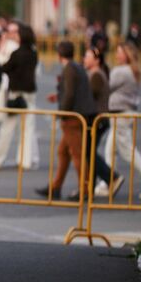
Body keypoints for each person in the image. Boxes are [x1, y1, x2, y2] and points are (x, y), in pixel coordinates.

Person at [36, 41, 97, 201]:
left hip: (72, 117)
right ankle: (56, 187)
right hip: (80, 114)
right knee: (63, 151)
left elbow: (69, 94)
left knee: (77, 155)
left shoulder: (69, 69)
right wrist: (58, 96)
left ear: (58, 55)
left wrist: (62, 112)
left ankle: (85, 189)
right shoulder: (76, 66)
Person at [104, 42, 141, 200]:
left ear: (127, 55)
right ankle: (109, 180)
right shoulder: (132, 70)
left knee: (127, 151)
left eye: (120, 52)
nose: (117, 55)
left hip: (120, 114)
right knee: (110, 150)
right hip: (124, 113)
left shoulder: (122, 71)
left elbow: (106, 86)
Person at [0, 23, 40, 170]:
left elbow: (5, 68)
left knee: (8, 126)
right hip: (30, 92)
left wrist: (0, 54)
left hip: (16, 92)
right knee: (28, 128)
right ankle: (25, 160)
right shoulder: (33, 53)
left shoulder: (17, 53)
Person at [85, 47, 125, 197]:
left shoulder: (96, 75)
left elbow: (89, 97)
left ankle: (112, 177)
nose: (84, 59)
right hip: (98, 119)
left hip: (97, 119)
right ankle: (90, 186)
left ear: (97, 60)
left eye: (87, 56)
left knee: (88, 153)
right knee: (89, 152)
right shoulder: (96, 73)